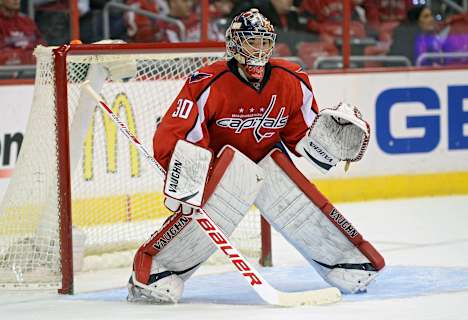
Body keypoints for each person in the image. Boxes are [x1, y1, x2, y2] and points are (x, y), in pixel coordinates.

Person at [127, 8, 384, 304]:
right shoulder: (207, 82)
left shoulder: (292, 79)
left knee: (302, 204)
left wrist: (328, 145)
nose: (259, 49)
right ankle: (155, 271)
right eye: (251, 41)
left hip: (267, 161)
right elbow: (173, 134)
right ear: (234, 44)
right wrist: (186, 179)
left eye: (264, 42)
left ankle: (350, 262)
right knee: (209, 215)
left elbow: (301, 136)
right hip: (220, 170)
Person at [0, 0, 46, 65]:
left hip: (32, 67)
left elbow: (41, 44)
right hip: (9, 69)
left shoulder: (27, 21)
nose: (17, 1)